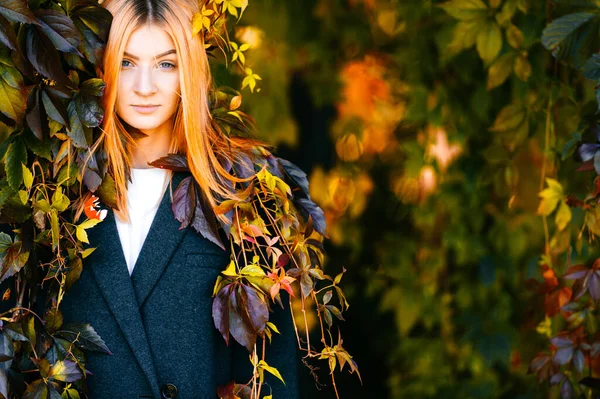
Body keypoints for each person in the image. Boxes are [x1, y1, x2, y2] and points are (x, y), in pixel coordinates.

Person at [59, 0, 300, 398]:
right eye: (127, 62)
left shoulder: (233, 195)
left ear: (188, 71)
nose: (144, 86)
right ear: (103, 71)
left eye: (165, 64)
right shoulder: (59, 197)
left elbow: (272, 371)